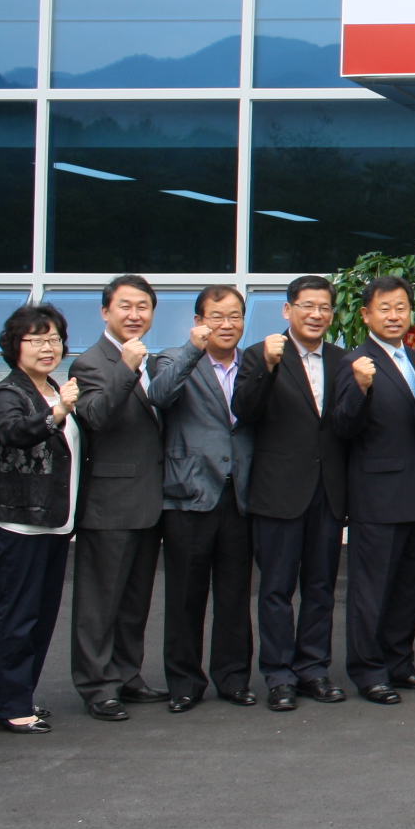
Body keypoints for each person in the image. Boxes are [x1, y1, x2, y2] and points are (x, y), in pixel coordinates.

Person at [231, 276, 348, 711]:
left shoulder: (341, 359)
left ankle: (314, 669)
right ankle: (279, 676)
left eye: (324, 307)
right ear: (287, 310)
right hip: (279, 492)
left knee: (321, 588)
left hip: (328, 492)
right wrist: (267, 364)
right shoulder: (259, 354)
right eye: (306, 306)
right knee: (277, 590)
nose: (316, 314)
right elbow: (244, 410)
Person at [331, 276, 415, 705]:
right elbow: (343, 426)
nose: (394, 316)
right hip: (377, 497)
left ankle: (399, 664)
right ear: (365, 314)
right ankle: (368, 671)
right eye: (384, 308)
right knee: (371, 591)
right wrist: (360, 388)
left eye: (401, 308)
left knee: (409, 590)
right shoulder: (355, 363)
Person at [146, 285, 254, 712]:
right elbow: (159, 395)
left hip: (239, 494)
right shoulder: (173, 358)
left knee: (235, 595)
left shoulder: (252, 364)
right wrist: (194, 350)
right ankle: (184, 683)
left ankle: (233, 679)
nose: (227, 324)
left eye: (235, 316)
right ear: (198, 321)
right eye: (217, 316)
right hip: (189, 493)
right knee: (185, 596)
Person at [68, 275, 167, 721]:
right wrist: (126, 369)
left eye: (143, 306)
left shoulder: (153, 361)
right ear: (105, 311)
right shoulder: (91, 363)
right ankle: (97, 686)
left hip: (148, 501)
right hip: (109, 503)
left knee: (134, 601)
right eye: (125, 306)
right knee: (99, 603)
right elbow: (96, 416)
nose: (134, 314)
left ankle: (127, 675)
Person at [0, 304, 80, 734]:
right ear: (16, 346)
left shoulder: (54, 388)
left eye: (54, 339)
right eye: (37, 340)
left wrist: (60, 405)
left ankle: (20, 695)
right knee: (17, 617)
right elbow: (14, 433)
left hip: (55, 523)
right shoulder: (9, 392)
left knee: (43, 616)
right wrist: (57, 413)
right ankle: (11, 705)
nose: (48, 348)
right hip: (21, 523)